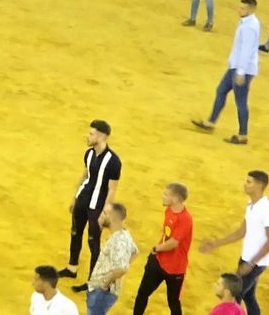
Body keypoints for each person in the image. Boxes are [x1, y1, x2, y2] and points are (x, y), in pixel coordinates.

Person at [197, 171, 269, 315]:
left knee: (234, 297)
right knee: (248, 296)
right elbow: (241, 232)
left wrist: (251, 263)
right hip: (247, 259)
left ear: (260, 185)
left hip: (256, 263)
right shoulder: (250, 205)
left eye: (249, 182)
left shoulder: (267, 209)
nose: (245, 184)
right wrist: (216, 243)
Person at [192, 0, 262, 144]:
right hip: (236, 67)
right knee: (221, 91)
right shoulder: (249, 22)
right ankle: (210, 122)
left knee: (241, 101)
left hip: (242, 69)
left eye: (243, 8)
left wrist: (241, 72)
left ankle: (243, 135)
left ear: (250, 10)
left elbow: (245, 51)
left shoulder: (248, 27)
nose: (239, 10)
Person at [63, 119, 122, 285]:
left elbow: (112, 189)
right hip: (83, 199)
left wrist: (105, 212)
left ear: (102, 136)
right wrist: (75, 198)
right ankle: (71, 268)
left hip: (97, 206)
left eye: (91, 133)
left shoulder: (113, 161)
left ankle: (92, 281)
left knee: (93, 241)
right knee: (75, 232)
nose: (87, 136)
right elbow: (85, 176)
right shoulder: (89, 153)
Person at [132, 182, 193, 315]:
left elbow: (173, 243)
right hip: (158, 261)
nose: (162, 196)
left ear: (176, 199)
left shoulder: (185, 219)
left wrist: (157, 248)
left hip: (175, 268)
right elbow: (167, 234)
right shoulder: (169, 210)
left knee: (173, 302)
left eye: (166, 194)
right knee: (142, 293)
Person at [85, 202, 139, 315]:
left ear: (112, 218)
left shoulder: (118, 241)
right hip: (102, 290)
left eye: (104, 213)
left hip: (102, 292)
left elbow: (122, 269)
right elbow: (135, 252)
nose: (101, 215)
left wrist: (104, 283)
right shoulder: (124, 233)